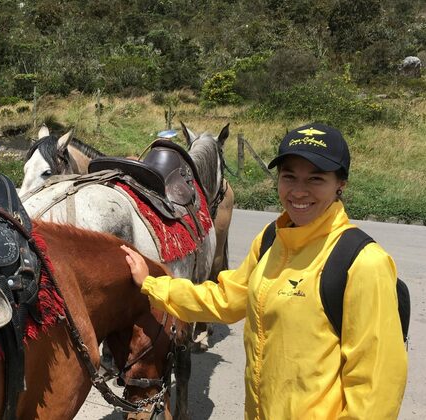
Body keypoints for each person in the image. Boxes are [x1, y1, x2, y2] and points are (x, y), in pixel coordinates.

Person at [121, 123, 407, 419]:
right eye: (289, 176)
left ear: (340, 184)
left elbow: (375, 391)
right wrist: (153, 284)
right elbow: (226, 298)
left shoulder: (362, 262)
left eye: (315, 179)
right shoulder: (273, 239)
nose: (298, 191)